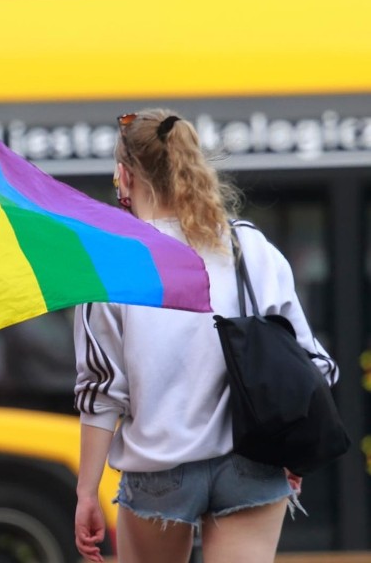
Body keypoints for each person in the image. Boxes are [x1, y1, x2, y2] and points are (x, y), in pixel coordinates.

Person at [72, 109, 337, 563]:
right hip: (253, 461)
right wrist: (292, 450)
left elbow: (101, 394)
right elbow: (311, 362)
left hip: (160, 468)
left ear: (124, 175)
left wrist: (86, 493)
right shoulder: (248, 246)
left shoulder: (113, 265)